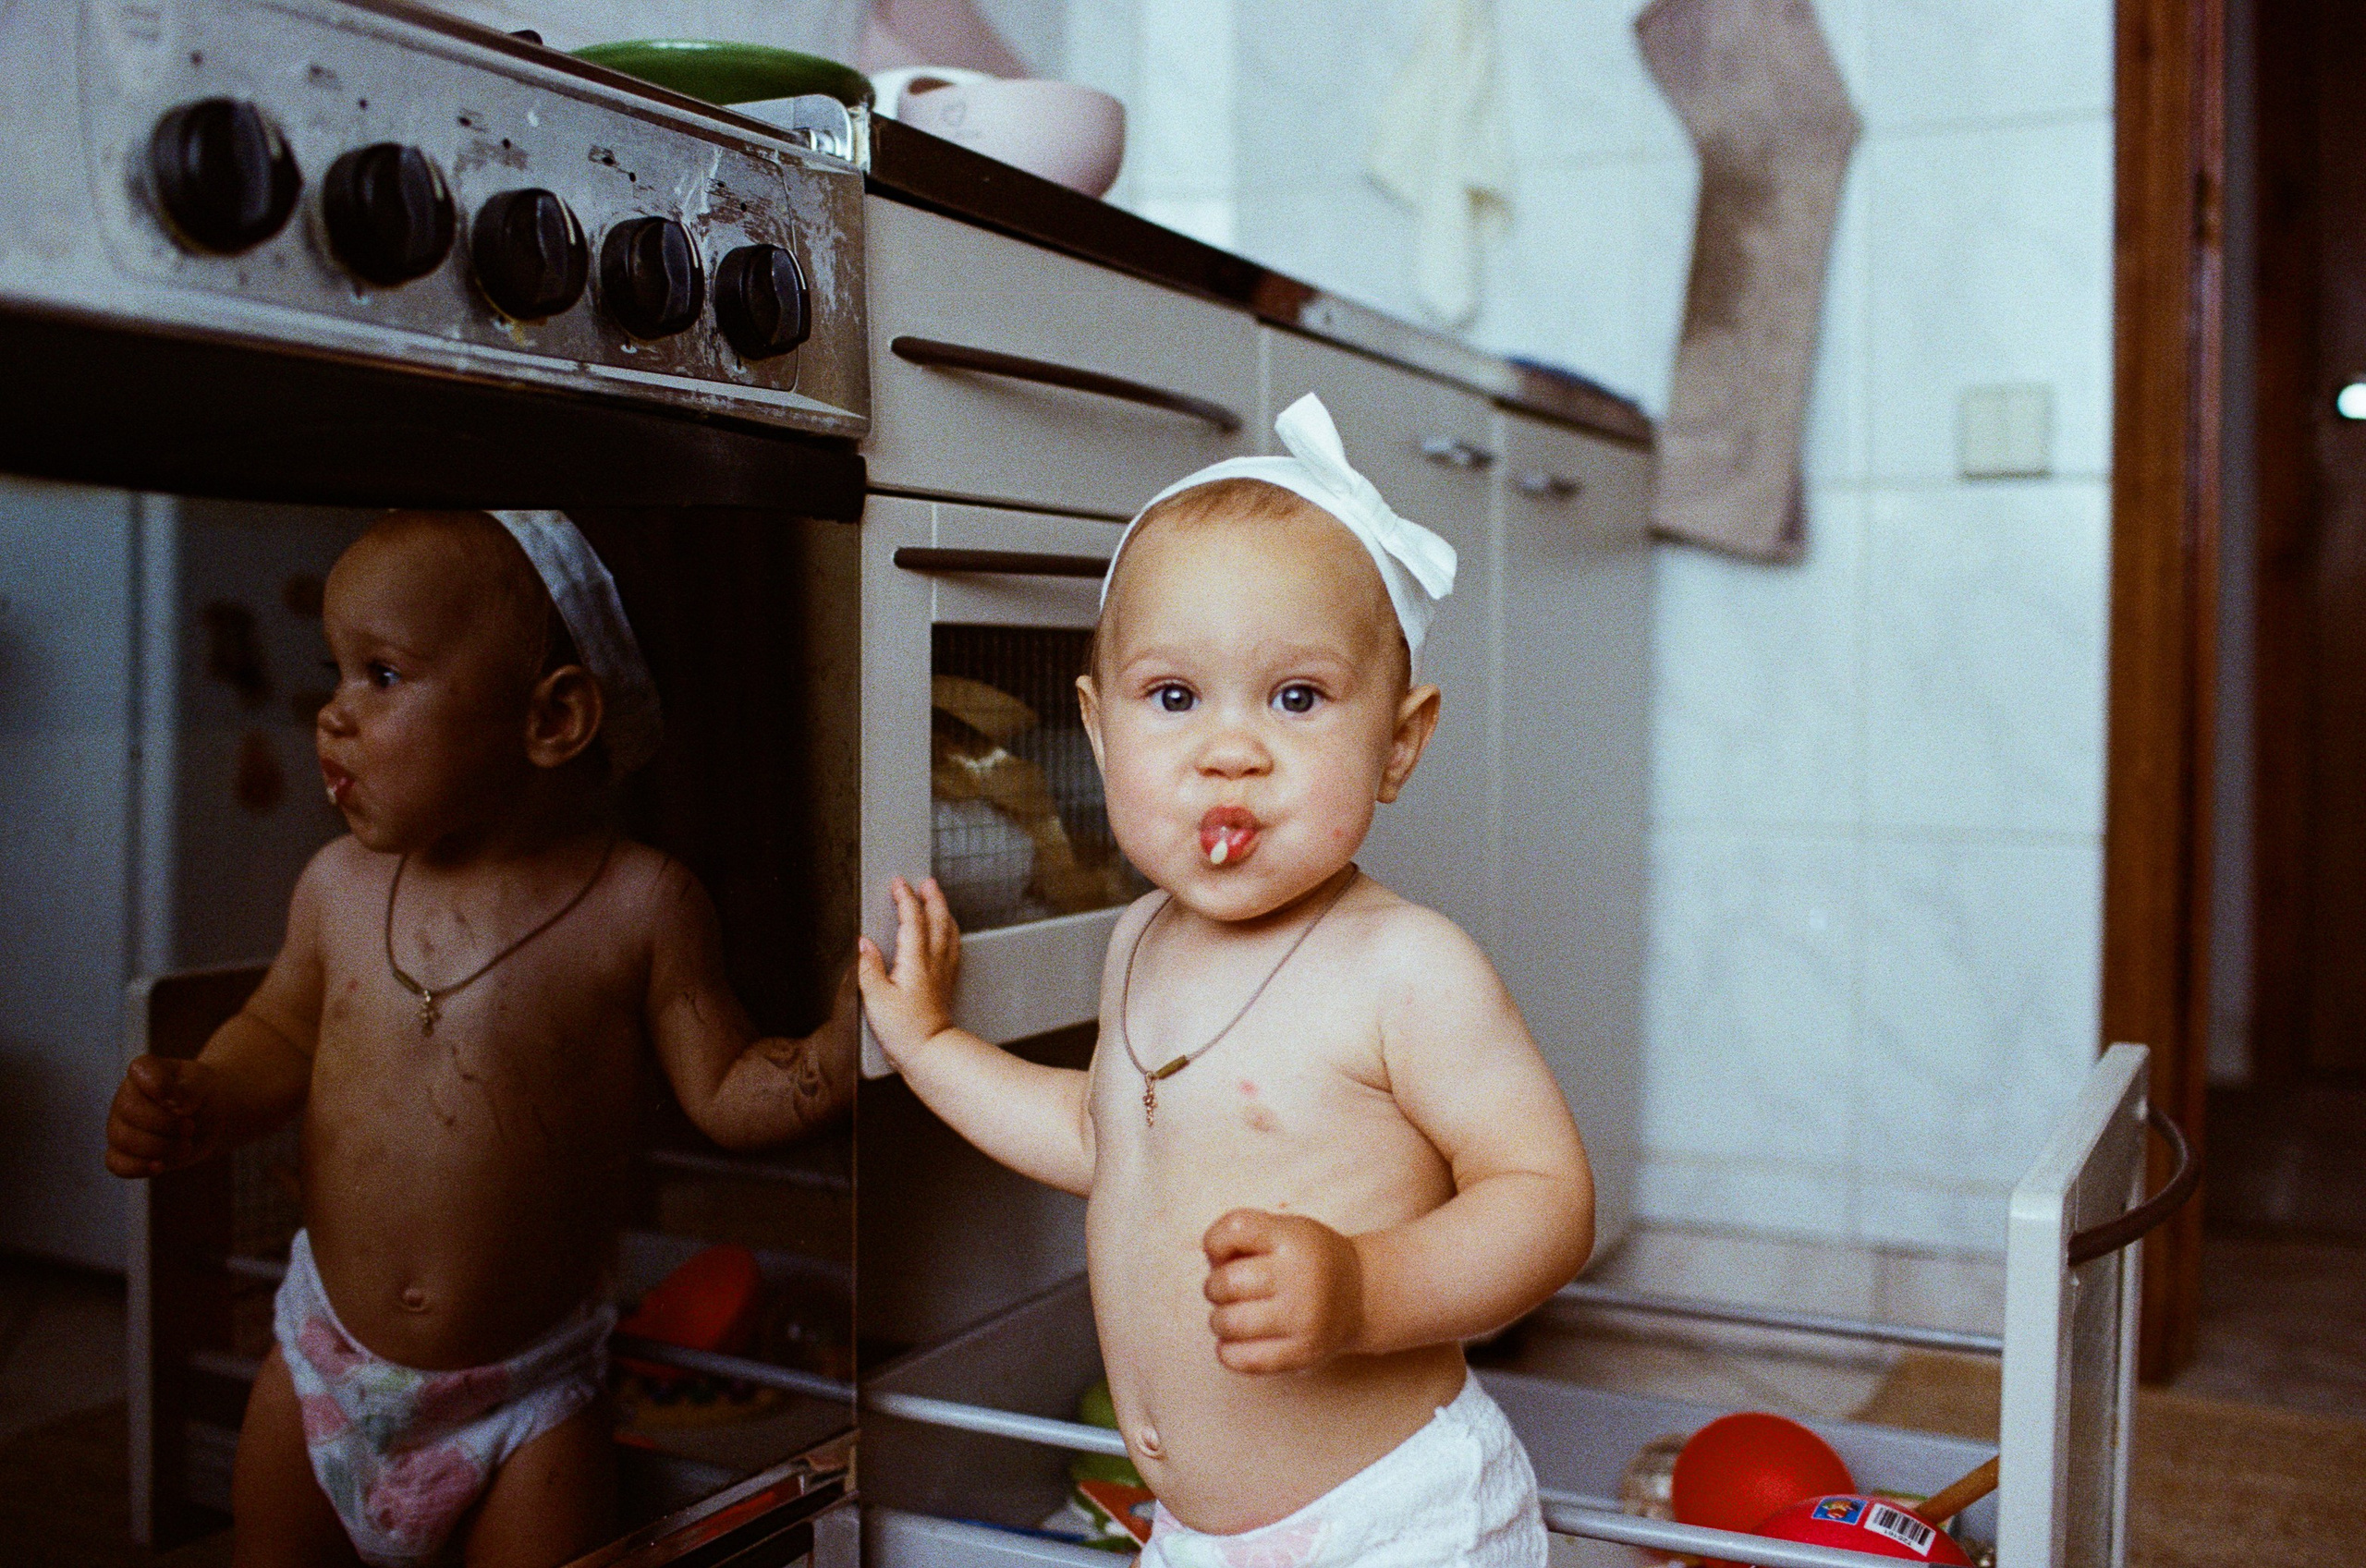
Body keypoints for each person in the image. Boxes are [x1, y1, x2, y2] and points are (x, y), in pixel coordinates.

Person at [858, 395, 1596, 1568]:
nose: (1230, 750)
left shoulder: (1405, 965)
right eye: (1173, 696)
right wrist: (931, 1047)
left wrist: (1364, 1287)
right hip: (1196, 1534)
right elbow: (1108, 1131)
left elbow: (1545, 1196)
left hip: (1392, 1522)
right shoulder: (1138, 940)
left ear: (1398, 742)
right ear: (1099, 731)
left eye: (1296, 698)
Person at [104, 510, 857, 1568]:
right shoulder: (336, 885)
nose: (333, 713)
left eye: (382, 674)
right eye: (335, 672)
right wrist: (205, 1091)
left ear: (553, 717)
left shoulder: (640, 903)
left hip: (525, 1399)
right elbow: (276, 1027)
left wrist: (840, 1048)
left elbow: (726, 1085)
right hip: (322, 1364)